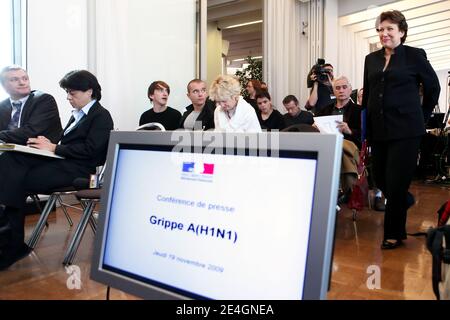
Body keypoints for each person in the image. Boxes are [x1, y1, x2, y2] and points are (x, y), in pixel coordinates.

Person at [0, 70, 114, 269]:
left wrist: (55, 147)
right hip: (65, 163)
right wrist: (50, 143)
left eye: (73, 93)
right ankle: (11, 243)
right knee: (11, 161)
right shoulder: (77, 115)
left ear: (89, 91)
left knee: (15, 179)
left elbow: (92, 152)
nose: (68, 97)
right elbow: (66, 144)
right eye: (67, 93)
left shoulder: (101, 116)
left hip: (82, 170)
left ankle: (11, 244)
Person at [362, 10, 440, 249]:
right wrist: (365, 130)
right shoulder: (371, 59)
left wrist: (421, 117)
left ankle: (393, 234)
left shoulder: (414, 56)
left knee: (395, 182)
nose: (384, 34)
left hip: (406, 130)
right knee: (381, 178)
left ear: (401, 32)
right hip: (379, 130)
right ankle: (404, 200)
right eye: (381, 29)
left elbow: (433, 88)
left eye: (390, 29)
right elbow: (367, 95)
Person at [316, 76, 362, 202]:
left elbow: (366, 134)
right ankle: (341, 190)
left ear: (350, 90)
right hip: (327, 145)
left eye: (344, 87)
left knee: (339, 150)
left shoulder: (359, 111)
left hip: (350, 146)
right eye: (337, 88)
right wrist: (316, 127)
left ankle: (344, 190)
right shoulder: (324, 110)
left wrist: (350, 131)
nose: (341, 90)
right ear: (333, 91)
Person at [0, 65, 62, 145]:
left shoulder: (44, 100)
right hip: (9, 150)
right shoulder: (2, 106)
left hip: (38, 152)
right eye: (14, 80)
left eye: (25, 78)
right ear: (3, 85)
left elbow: (30, 132)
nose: (22, 83)